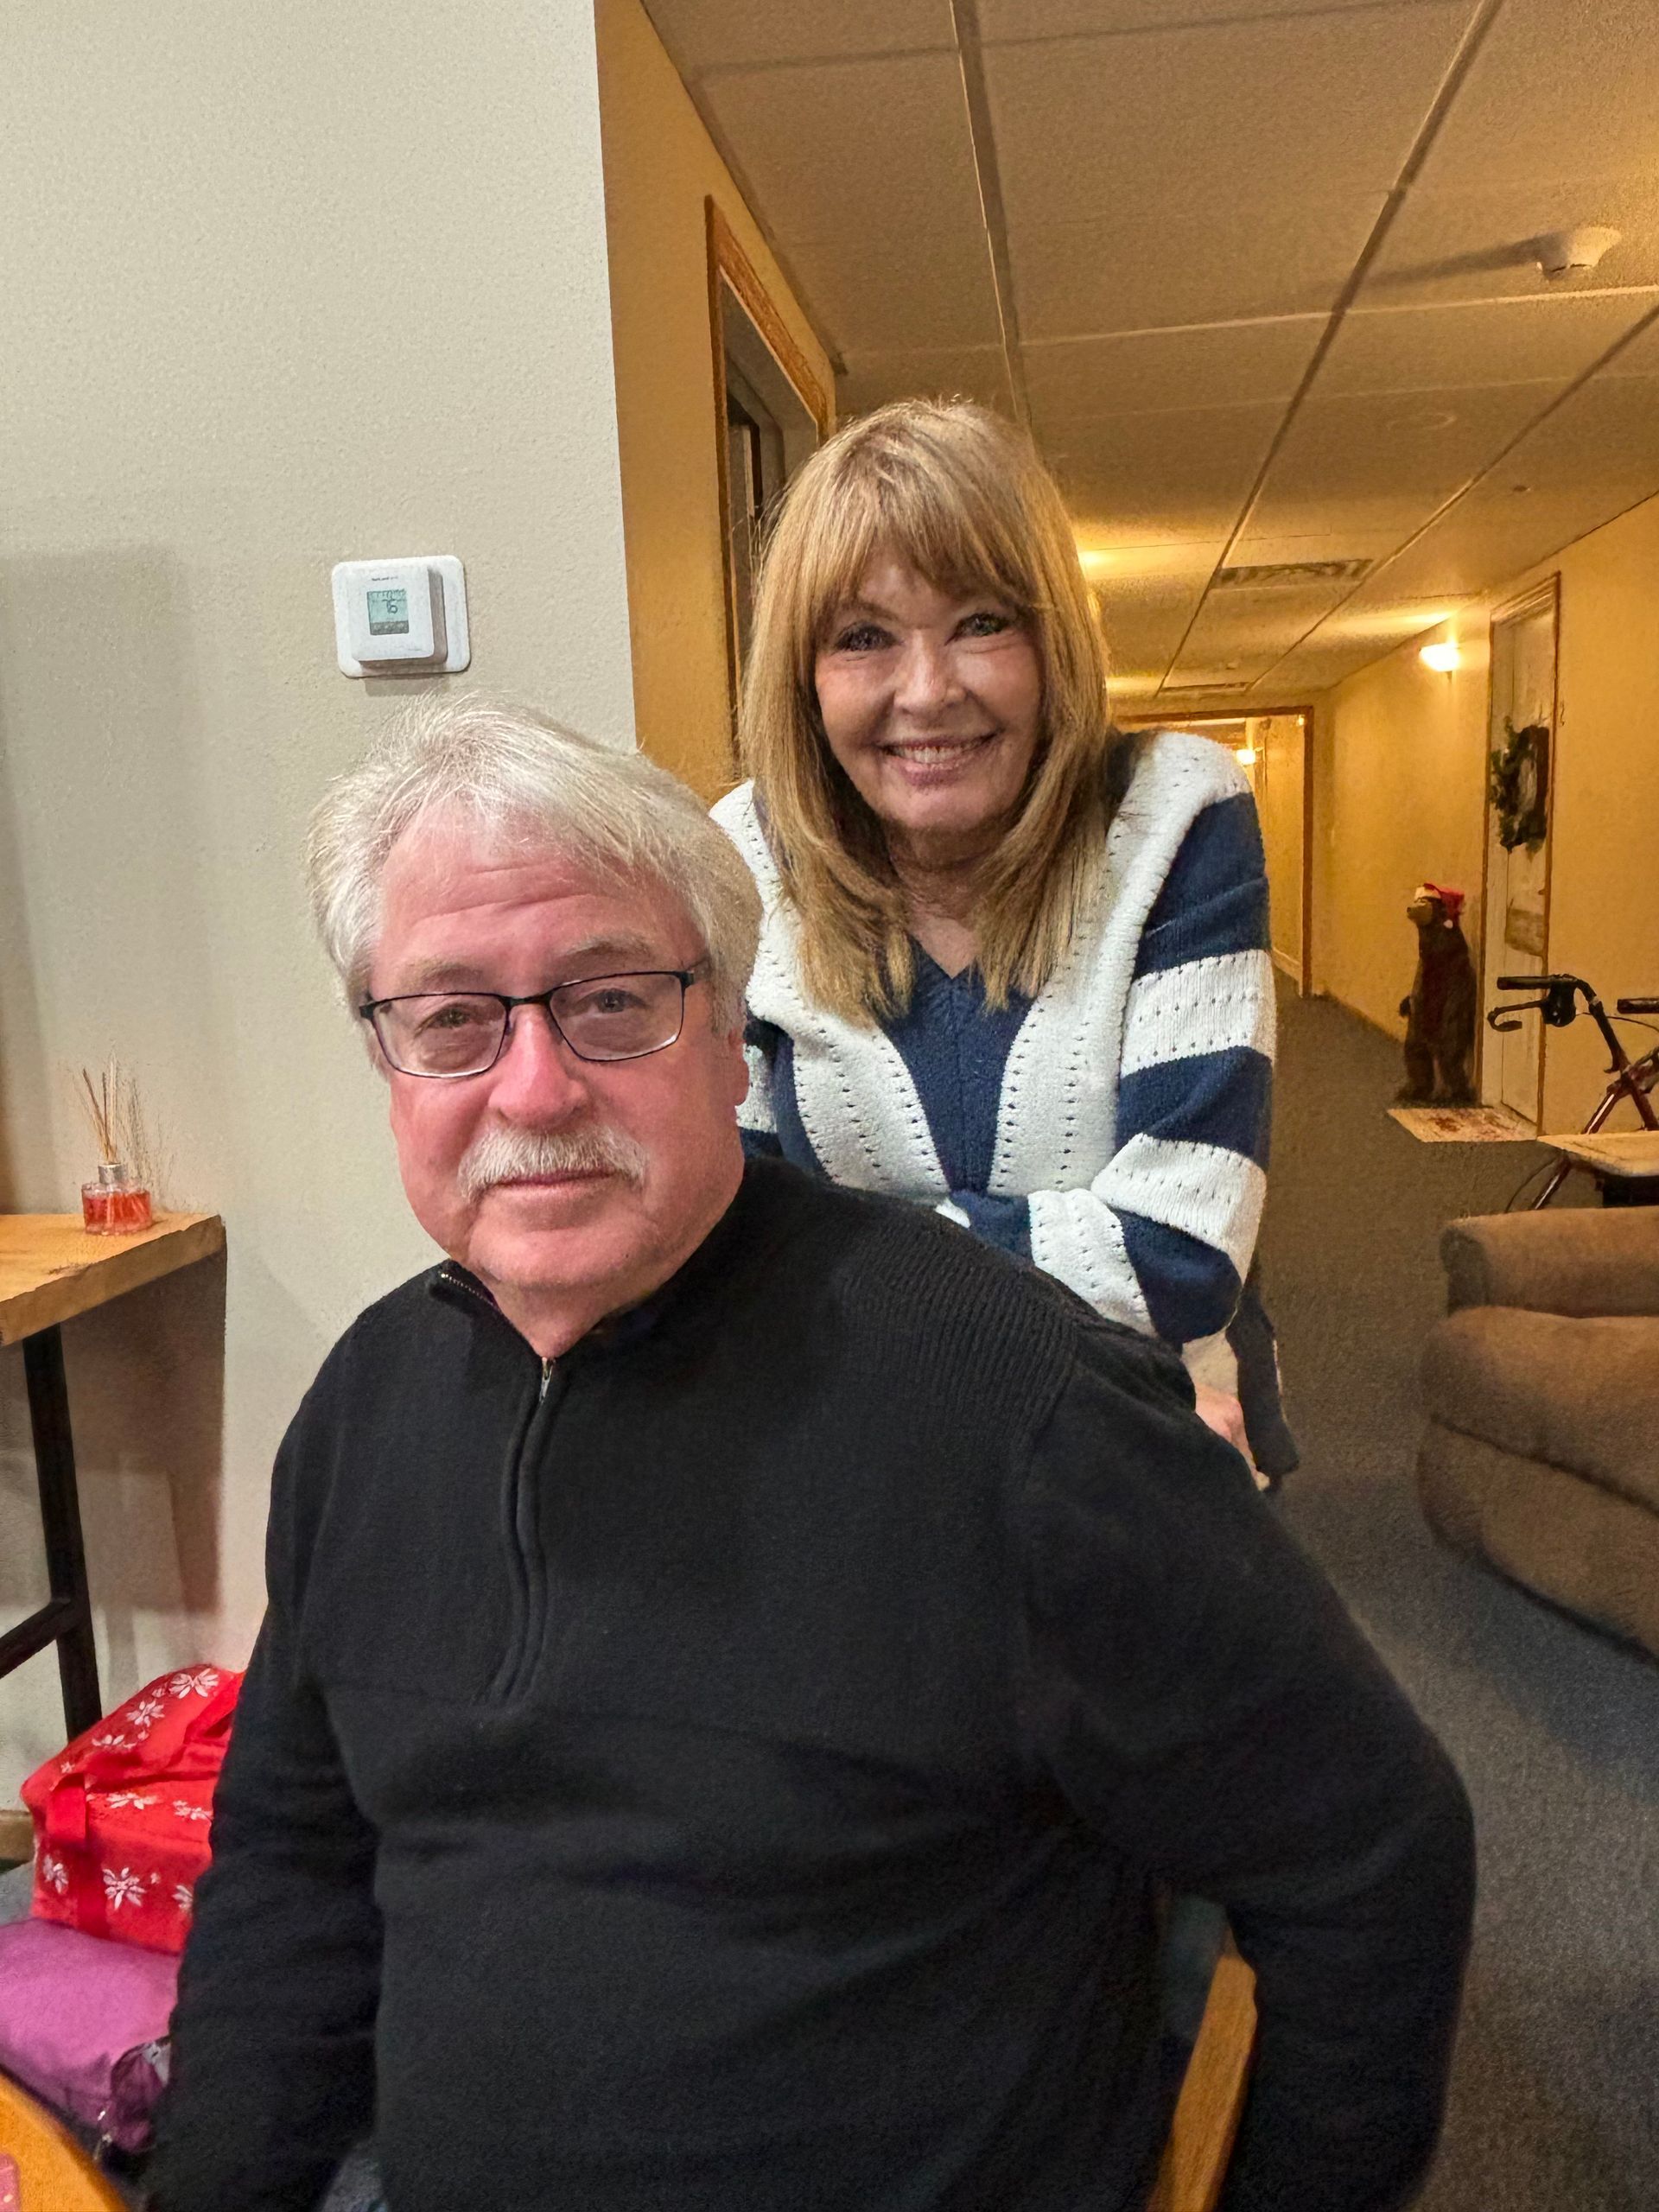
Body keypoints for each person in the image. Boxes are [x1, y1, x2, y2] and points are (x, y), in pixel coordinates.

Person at [150, 697, 1472, 2212]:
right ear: (387, 1059)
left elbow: (1374, 1855)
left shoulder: (1017, 1407)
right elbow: (291, 1881)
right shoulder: (363, 1410)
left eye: (611, 1000)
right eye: (453, 1018)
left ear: (731, 1040)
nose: (532, 1089)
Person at [714, 398, 1296, 1477]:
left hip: (1137, 1439)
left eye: (983, 621)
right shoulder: (744, 855)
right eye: (863, 637)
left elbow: (1181, 1255)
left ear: (1052, 639)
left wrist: (828, 1257)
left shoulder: (1176, 813)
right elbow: (720, 1241)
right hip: (866, 1443)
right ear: (804, 675)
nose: (927, 692)